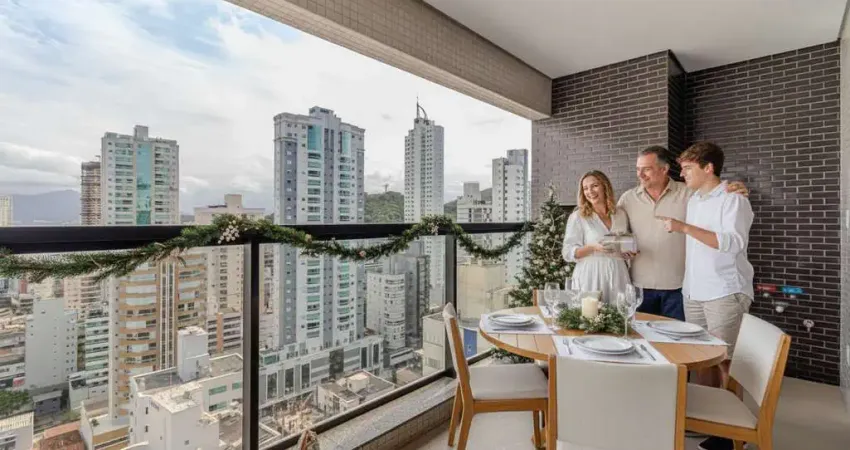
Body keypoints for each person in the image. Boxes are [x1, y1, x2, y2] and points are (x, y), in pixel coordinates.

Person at [658, 142, 754, 450]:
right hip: (694, 290)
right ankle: (710, 423)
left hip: (724, 291)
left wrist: (684, 228)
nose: (683, 174)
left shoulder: (733, 199)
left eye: (688, 168)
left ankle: (734, 434)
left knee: (726, 362)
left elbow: (733, 243)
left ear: (708, 168)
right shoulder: (695, 199)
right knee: (703, 360)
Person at [618, 146, 747, 321]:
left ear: (664, 169)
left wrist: (733, 188)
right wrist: (623, 248)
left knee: (678, 337)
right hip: (640, 286)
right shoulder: (627, 199)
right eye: (638, 169)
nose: (640, 175)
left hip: (679, 287)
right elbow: (619, 234)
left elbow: (712, 190)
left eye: (646, 169)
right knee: (642, 336)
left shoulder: (690, 193)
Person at [561, 170, 630, 303]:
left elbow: (623, 244)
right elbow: (567, 252)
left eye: (594, 186)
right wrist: (593, 247)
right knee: (591, 313)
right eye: (585, 188)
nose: (590, 191)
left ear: (605, 186)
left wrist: (628, 252)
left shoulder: (620, 214)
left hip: (618, 273)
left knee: (620, 312)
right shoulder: (578, 217)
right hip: (590, 275)